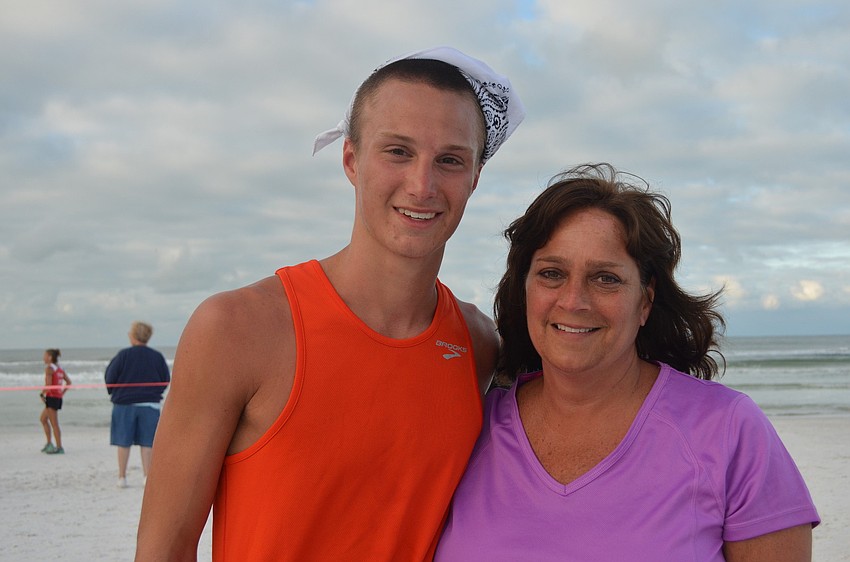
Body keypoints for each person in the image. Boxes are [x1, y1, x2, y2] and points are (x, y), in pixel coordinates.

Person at [135, 46, 525, 560]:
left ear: (474, 178)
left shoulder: (477, 345)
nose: (422, 184)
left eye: (450, 160)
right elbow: (164, 548)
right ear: (351, 160)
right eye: (398, 151)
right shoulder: (237, 328)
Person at [436, 163, 820, 561]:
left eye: (606, 278)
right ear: (524, 290)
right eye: (552, 273)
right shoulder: (471, 427)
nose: (573, 301)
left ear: (645, 300)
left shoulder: (728, 430)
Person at [105, 321, 170, 489]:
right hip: (149, 404)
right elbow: (165, 379)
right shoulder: (157, 356)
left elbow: (110, 377)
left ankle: (122, 477)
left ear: (133, 336)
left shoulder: (123, 355)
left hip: (125, 404)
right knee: (147, 443)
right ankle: (146, 477)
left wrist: (114, 392)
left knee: (123, 442)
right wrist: (153, 393)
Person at [39, 348, 71, 454]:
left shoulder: (49, 369)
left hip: (52, 398)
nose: (43, 357)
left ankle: (59, 447)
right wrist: (61, 393)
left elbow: (48, 386)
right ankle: (49, 444)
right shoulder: (59, 368)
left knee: (54, 424)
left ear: (49, 357)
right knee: (43, 419)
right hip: (56, 398)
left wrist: (41, 393)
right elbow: (69, 383)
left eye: (44, 355)